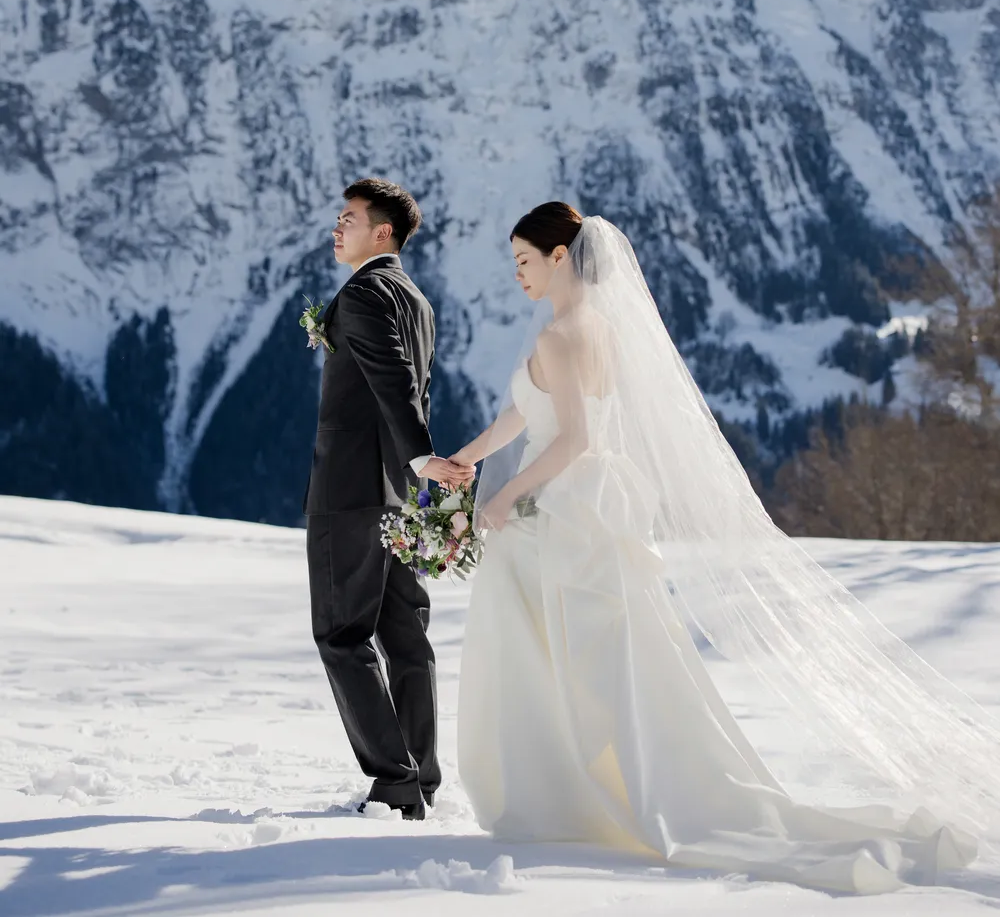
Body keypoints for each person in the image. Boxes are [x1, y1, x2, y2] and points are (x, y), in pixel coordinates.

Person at [451, 203, 1000, 893]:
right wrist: (469, 459)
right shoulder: (592, 328)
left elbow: (573, 439)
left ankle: (568, 795)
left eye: (525, 261)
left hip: (562, 508)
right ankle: (583, 789)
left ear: (561, 256)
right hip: (582, 506)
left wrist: (503, 499)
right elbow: (532, 411)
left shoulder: (563, 335)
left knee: (572, 661)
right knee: (592, 660)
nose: (518, 276)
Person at [303, 177, 474, 820]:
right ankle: (420, 778)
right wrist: (415, 472)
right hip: (398, 497)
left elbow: (394, 384)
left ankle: (395, 782)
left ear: (384, 232)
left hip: (351, 489)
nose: (336, 227)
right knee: (405, 635)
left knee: (342, 634)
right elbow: (409, 383)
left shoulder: (366, 293)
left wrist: (420, 453)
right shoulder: (415, 298)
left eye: (348, 217)